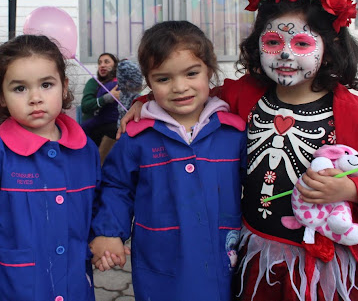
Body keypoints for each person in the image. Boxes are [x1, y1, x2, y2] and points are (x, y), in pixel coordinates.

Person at [120, 0, 358, 301]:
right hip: (259, 256)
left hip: (323, 260)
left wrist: (351, 188)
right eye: (272, 43)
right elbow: (189, 97)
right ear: (257, 45)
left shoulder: (354, 115)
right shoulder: (244, 95)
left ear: (330, 48)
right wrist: (146, 103)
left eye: (301, 44)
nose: (284, 54)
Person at [90, 21, 247, 301]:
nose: (179, 87)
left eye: (191, 73)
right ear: (148, 82)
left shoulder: (233, 133)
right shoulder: (137, 137)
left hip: (223, 261)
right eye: (163, 79)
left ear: (209, 70)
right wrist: (108, 232)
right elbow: (116, 187)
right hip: (161, 266)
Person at [0, 35, 102, 301]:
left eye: (46, 84)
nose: (35, 97)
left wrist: (105, 238)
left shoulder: (85, 149)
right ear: (1, 96)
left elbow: (96, 207)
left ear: (64, 88)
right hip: (16, 289)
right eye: (19, 88)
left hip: (75, 287)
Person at [80, 53, 121, 146]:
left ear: (115, 65)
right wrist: (107, 98)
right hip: (94, 129)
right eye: (100, 63)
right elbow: (85, 106)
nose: (102, 65)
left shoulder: (120, 82)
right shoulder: (93, 82)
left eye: (106, 62)